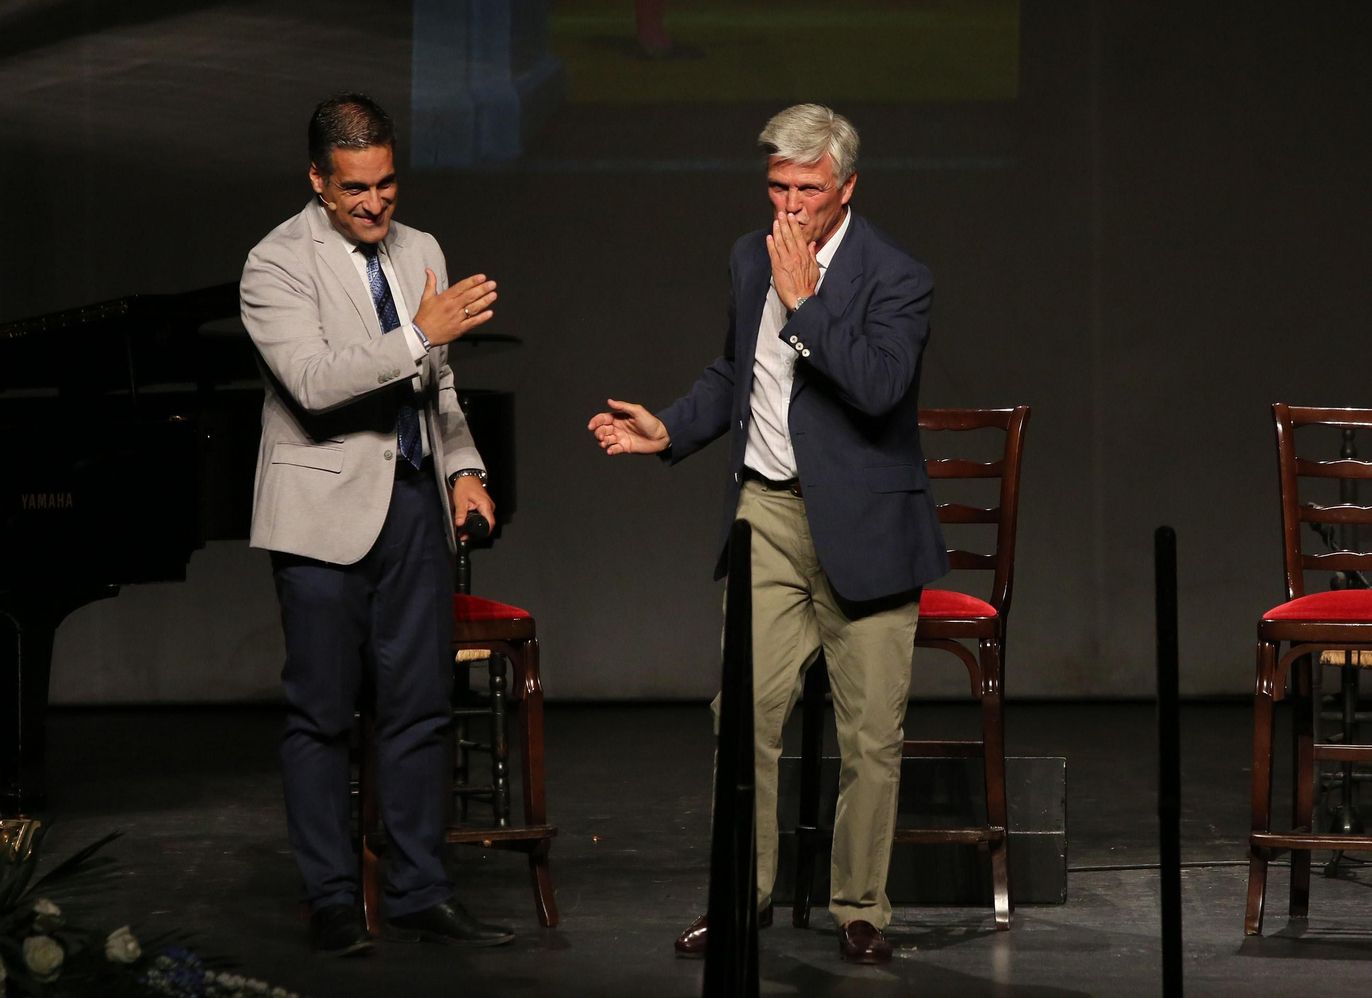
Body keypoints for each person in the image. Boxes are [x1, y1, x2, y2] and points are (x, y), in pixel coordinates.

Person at [587, 103, 946, 965]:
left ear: (846, 187)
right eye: (778, 187)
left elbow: (879, 389)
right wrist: (670, 429)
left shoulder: (898, 275)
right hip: (768, 515)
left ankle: (860, 909)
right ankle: (737, 900)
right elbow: (737, 371)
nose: (789, 206)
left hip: (866, 525)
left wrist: (806, 302)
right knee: (742, 718)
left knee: (871, 734)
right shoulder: (751, 256)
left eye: (808, 190)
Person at [240, 92, 513, 956]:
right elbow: (314, 383)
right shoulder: (275, 263)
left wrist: (463, 469)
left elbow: (439, 385)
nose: (374, 203)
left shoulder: (420, 249)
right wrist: (417, 335)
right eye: (355, 188)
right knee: (322, 714)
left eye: (386, 184)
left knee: (421, 708)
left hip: (412, 507)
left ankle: (420, 892)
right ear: (318, 181)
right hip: (321, 514)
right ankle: (330, 899)